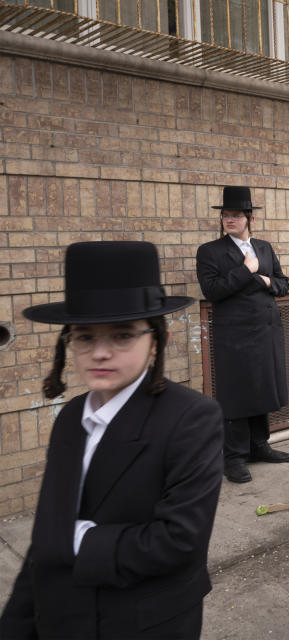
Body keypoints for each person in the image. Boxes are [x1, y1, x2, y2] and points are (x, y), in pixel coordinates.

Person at [1, 242, 223, 639]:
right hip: (62, 618)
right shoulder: (71, 418)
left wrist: (74, 538)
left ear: (156, 340)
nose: (100, 353)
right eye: (85, 337)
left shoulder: (191, 418)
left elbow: (178, 540)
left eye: (121, 335)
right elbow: (43, 551)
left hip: (141, 622)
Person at [196, 186, 289, 484]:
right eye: (226, 215)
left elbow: (283, 283)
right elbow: (211, 291)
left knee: (262, 387)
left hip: (266, 330)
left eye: (236, 215)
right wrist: (245, 270)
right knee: (237, 393)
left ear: (250, 217)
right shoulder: (210, 251)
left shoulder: (263, 247)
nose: (229, 219)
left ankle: (259, 445)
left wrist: (265, 280)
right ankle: (234, 457)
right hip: (234, 333)